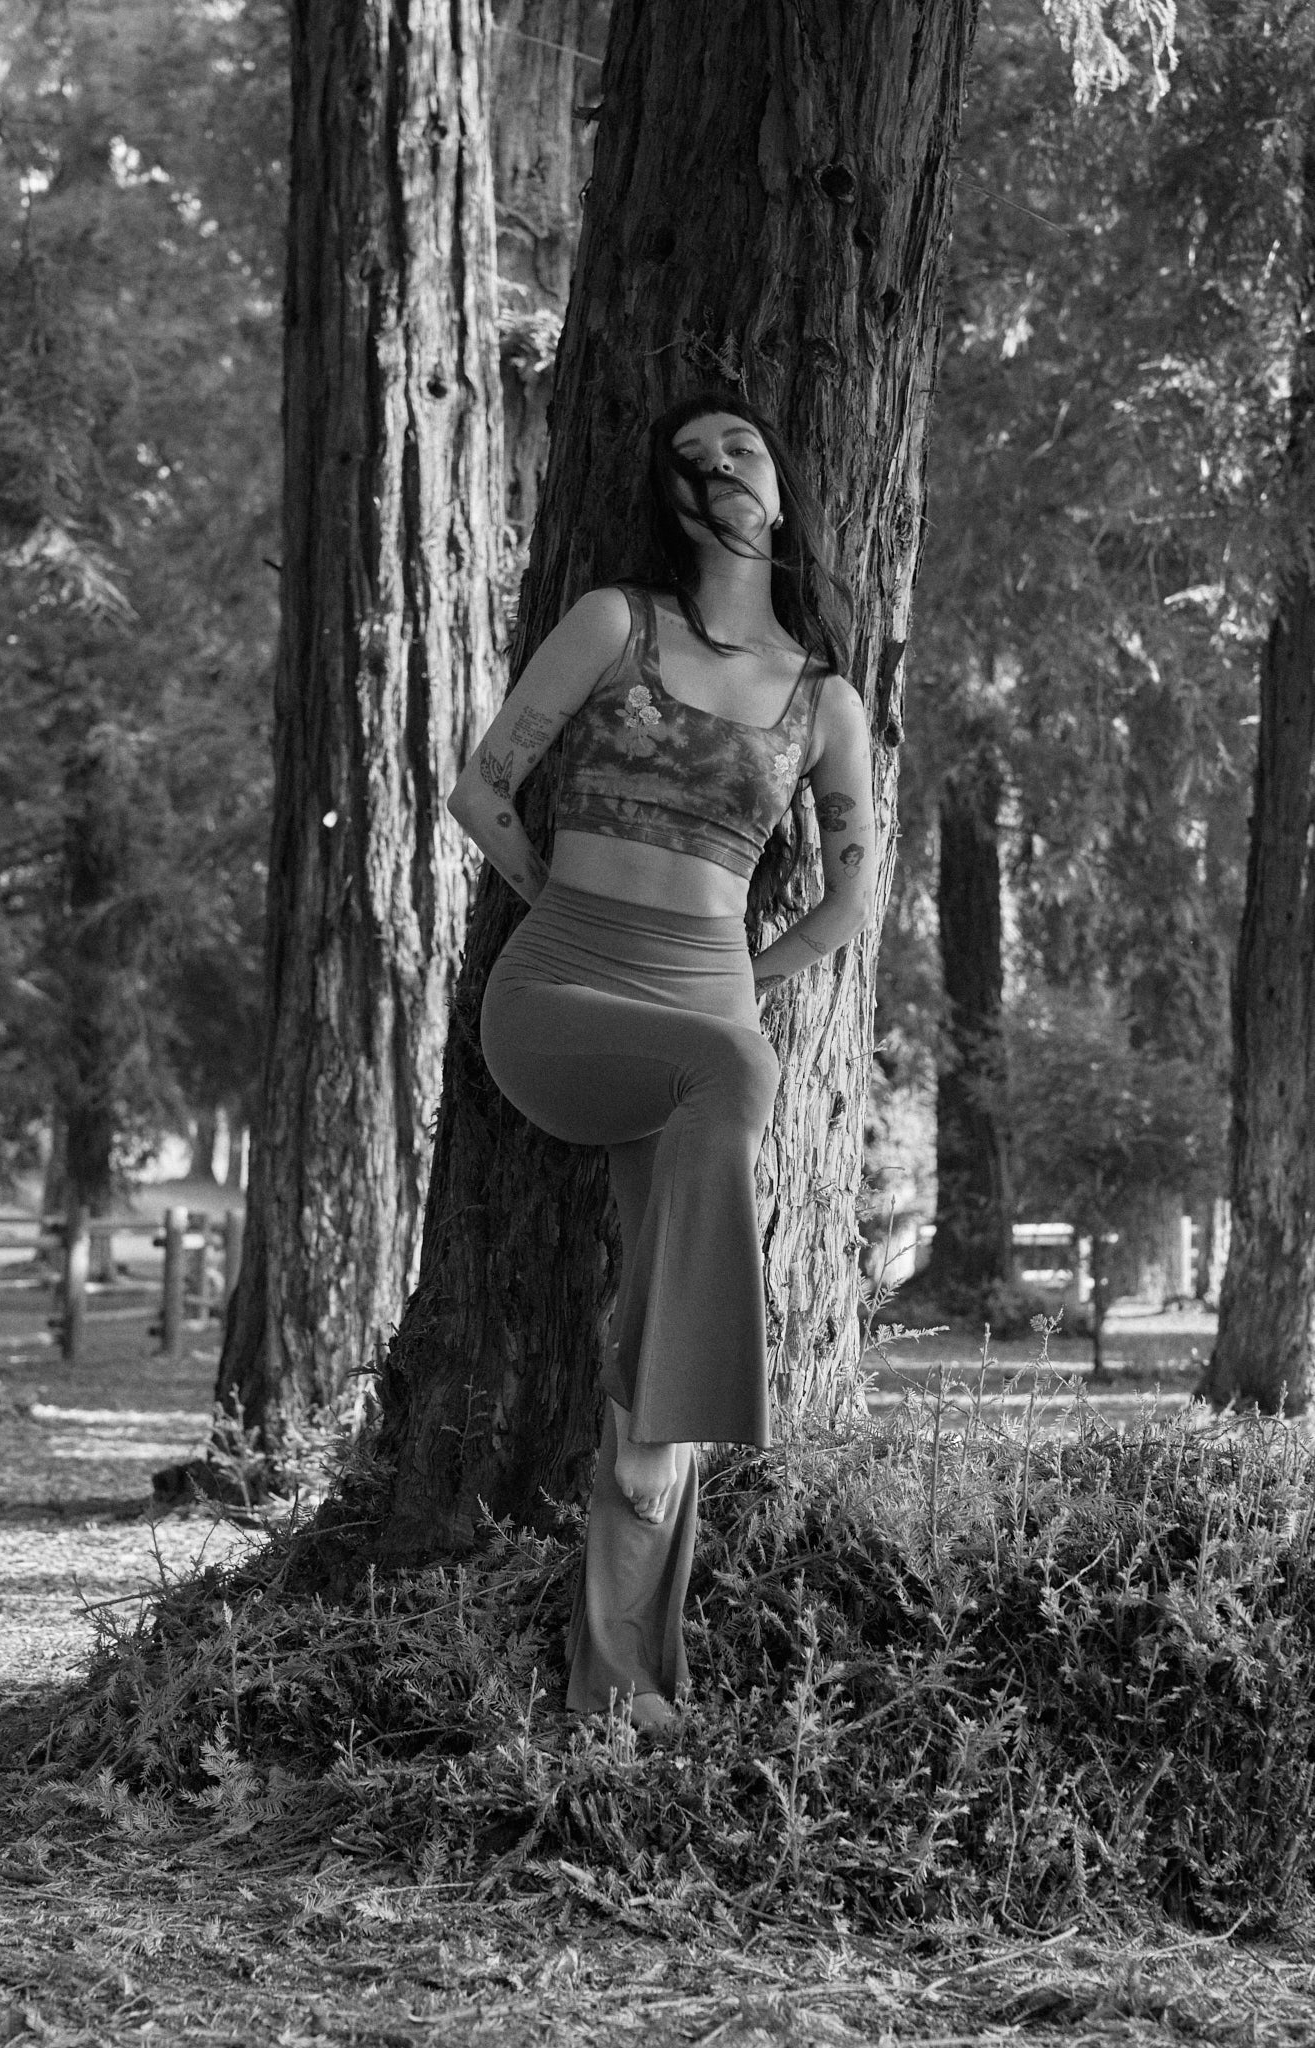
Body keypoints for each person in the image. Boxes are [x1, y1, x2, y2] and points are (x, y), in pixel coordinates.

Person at [447, 391, 877, 1733]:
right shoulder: (614, 625)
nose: (717, 469)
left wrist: (736, 979)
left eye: (741, 447)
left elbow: (848, 902)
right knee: (735, 1078)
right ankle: (661, 1424)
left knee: (661, 1311)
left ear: (781, 485)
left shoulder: (822, 701)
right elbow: (480, 788)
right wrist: (561, 908)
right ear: (672, 499)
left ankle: (621, 1690)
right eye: (691, 459)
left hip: (702, 1022)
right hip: (560, 996)